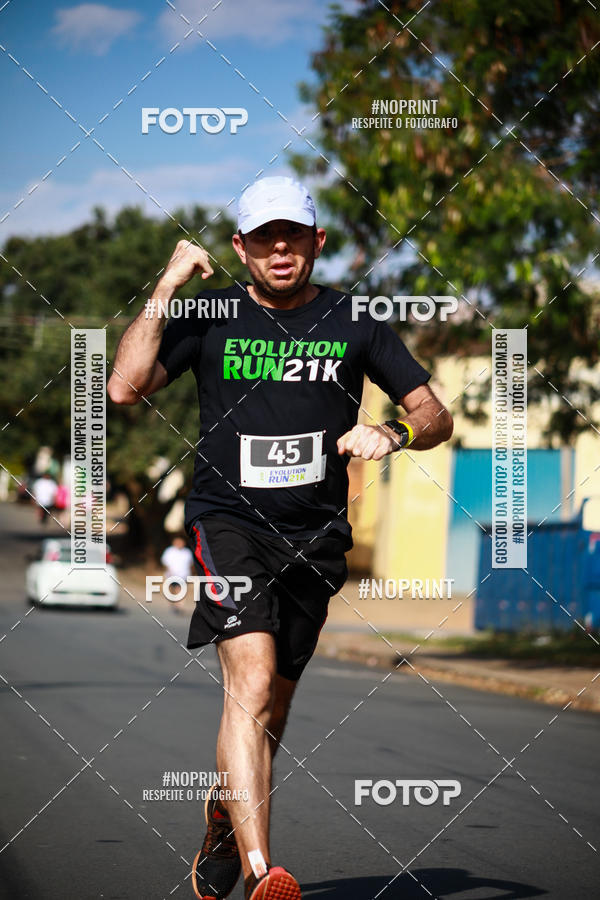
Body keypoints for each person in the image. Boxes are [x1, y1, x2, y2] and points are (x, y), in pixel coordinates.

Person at [108, 175, 453, 900]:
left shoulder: (357, 324)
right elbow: (123, 387)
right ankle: (266, 871)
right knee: (252, 683)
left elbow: (435, 414)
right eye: (263, 238)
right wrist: (167, 285)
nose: (280, 249)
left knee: (276, 706)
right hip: (227, 525)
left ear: (316, 241)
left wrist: (391, 432)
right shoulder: (209, 315)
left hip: (317, 538)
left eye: (292, 235)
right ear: (240, 247)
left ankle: (224, 821)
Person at [161, 535, 194, 609]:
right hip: (171, 574)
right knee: (173, 589)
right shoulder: (169, 551)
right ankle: (173, 600)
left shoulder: (187, 552)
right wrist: (169, 571)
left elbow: (190, 564)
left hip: (184, 575)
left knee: (180, 589)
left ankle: (179, 604)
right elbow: (165, 562)